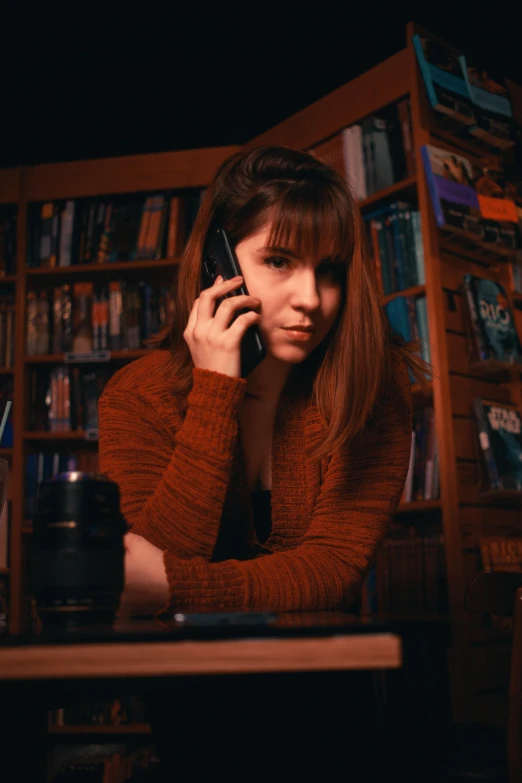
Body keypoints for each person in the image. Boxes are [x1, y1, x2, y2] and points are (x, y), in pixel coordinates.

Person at [98, 145, 430, 781]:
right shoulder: (137, 395)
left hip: (331, 721)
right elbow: (153, 557)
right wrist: (214, 390)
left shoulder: (371, 388)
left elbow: (332, 570)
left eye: (329, 269)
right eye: (278, 261)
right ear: (217, 265)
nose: (311, 297)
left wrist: (176, 585)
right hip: (192, 718)